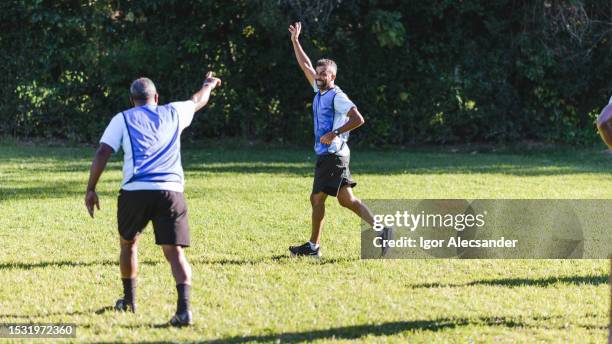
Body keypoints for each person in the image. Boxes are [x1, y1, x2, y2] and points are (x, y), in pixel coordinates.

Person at [84, 72, 221, 326]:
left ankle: (129, 301)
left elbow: (103, 151)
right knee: (175, 252)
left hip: (135, 191)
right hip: (171, 191)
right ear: (156, 97)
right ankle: (184, 310)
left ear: (132, 100)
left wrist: (91, 188)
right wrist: (209, 84)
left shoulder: (122, 118)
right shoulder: (174, 112)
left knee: (128, 244)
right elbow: (198, 100)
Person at [287, 22, 387, 257]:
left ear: (332, 76)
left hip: (334, 153)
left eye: (324, 73)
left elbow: (358, 118)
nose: (319, 75)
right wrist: (295, 41)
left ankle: (313, 247)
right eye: (319, 73)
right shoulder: (319, 90)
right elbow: (306, 65)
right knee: (346, 199)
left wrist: (335, 132)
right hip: (330, 154)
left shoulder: (336, 95)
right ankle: (383, 231)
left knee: (317, 198)